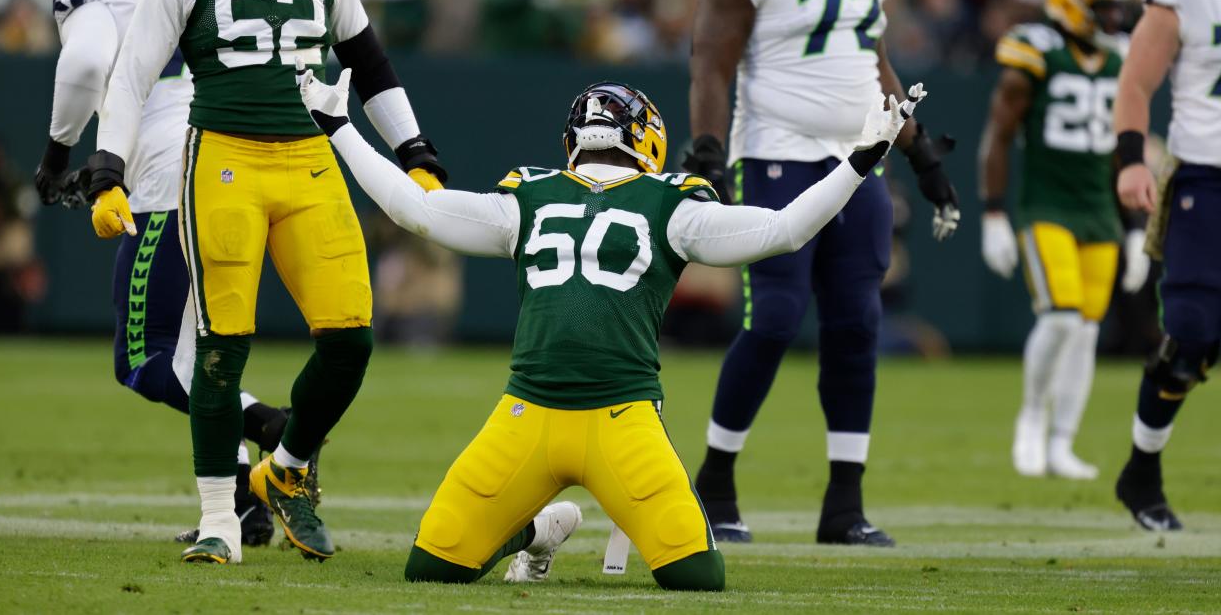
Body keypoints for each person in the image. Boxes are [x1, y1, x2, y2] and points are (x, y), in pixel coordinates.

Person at [298, 75, 926, 590]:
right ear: (647, 137)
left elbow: (413, 209)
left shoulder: (532, 197)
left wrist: (339, 125)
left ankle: (525, 527)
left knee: (694, 575)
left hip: (590, 417)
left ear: (573, 138)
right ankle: (534, 530)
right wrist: (862, 159)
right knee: (433, 568)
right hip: (555, 417)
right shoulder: (668, 202)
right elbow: (784, 230)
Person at [85, 0, 445, 565]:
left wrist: (414, 149)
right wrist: (106, 168)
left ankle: (284, 472)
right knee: (221, 349)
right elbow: (131, 74)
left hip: (311, 160)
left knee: (350, 341)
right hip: (223, 159)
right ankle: (219, 518)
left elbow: (368, 62)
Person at [681, 0, 959, 546]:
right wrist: (708, 155)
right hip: (774, 153)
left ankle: (844, 505)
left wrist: (918, 150)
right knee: (773, 318)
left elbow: (872, 62)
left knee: (856, 326)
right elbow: (710, 63)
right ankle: (713, 484)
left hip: (857, 160)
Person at [35, 0, 289, 546]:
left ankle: (275, 429)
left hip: (165, 178)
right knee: (198, 352)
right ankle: (243, 506)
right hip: (233, 160)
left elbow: (89, 61)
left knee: (144, 363)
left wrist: (58, 154)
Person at [978, 0, 1151, 480]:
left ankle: (1061, 442)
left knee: (1086, 331)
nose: (1114, 18)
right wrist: (993, 215)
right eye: (1102, 8)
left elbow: (1131, 146)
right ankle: (1030, 420)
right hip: (1046, 204)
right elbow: (999, 136)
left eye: (1116, 8)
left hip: (1100, 209)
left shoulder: (1123, 56)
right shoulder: (1036, 49)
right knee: (1059, 316)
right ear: (1071, 6)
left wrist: (1139, 226)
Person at [1111, 0, 1221, 531]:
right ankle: (1141, 470)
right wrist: (1131, 160)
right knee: (1186, 339)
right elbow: (1134, 81)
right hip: (1206, 182)